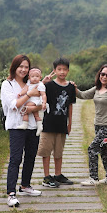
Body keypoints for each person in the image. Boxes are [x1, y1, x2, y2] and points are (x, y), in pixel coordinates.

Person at [0, 55, 42, 207]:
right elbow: (13, 105)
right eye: (21, 66)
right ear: (14, 67)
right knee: (16, 158)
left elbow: (40, 104)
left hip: (32, 125)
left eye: (26, 67)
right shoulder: (7, 85)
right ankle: (11, 193)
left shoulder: (31, 83)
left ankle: (25, 186)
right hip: (16, 126)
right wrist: (29, 95)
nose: (24, 70)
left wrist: (32, 105)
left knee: (30, 156)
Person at [76, 64, 107, 186]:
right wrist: (73, 88)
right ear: (99, 74)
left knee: (92, 149)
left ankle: (93, 178)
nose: (104, 77)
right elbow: (82, 95)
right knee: (104, 151)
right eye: (102, 74)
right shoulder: (96, 89)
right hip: (98, 125)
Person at [37, 57, 76, 188]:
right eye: (59, 69)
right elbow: (36, 95)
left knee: (59, 151)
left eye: (65, 69)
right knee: (46, 150)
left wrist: (70, 123)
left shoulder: (71, 87)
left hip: (61, 124)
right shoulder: (48, 85)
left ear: (68, 71)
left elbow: (70, 105)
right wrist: (43, 82)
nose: (62, 72)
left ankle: (58, 174)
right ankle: (47, 177)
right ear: (54, 70)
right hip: (48, 124)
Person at [17, 67, 47, 136]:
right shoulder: (29, 83)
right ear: (29, 77)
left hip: (36, 101)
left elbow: (43, 95)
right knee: (36, 114)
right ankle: (39, 126)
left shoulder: (40, 85)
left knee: (26, 108)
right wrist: (21, 93)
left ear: (40, 77)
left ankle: (25, 123)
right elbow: (25, 89)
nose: (35, 78)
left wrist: (44, 103)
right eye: (32, 76)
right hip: (31, 99)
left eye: (37, 76)